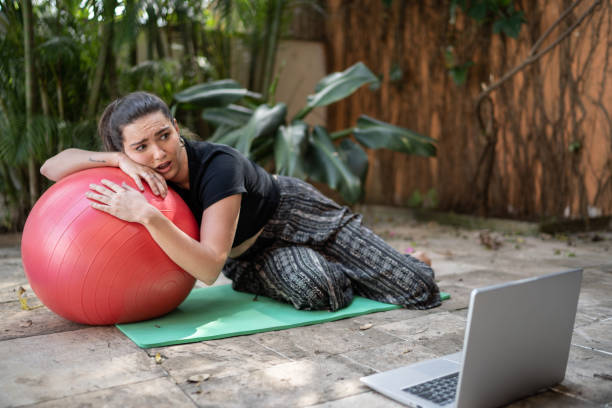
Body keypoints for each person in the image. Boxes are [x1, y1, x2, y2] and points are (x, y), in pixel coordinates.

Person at [40, 91, 441, 312]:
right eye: (141, 146)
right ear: (125, 150)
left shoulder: (219, 165)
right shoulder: (132, 167)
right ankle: (356, 266)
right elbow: (51, 167)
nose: (159, 154)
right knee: (324, 291)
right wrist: (114, 159)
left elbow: (207, 268)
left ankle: (400, 262)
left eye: (163, 135)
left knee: (418, 288)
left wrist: (147, 216)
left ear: (176, 127)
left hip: (297, 216)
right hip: (250, 255)